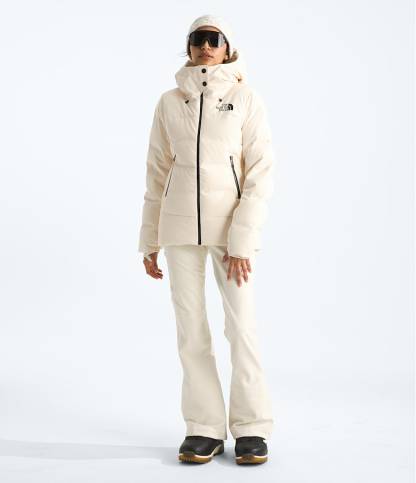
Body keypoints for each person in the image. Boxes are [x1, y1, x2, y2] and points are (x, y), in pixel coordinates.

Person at [138, 14, 276, 465]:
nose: (205, 45)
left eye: (214, 39)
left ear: (227, 47)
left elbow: (260, 172)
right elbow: (157, 171)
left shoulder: (245, 98)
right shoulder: (169, 102)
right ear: (189, 46)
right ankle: (203, 427)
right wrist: (150, 239)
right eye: (198, 38)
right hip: (178, 228)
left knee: (241, 327)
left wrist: (242, 239)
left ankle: (251, 427)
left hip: (229, 231)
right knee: (190, 330)